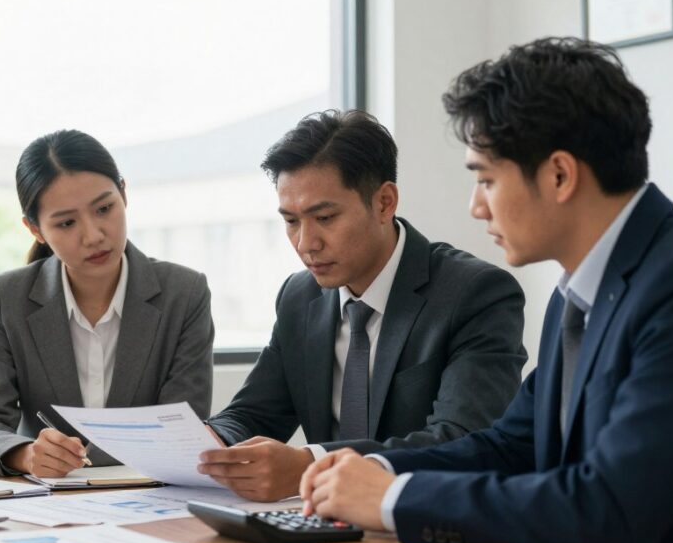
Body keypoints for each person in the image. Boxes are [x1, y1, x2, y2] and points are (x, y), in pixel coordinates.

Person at [300, 38, 673, 543]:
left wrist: (391, 500)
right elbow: (510, 446)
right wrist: (374, 468)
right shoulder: (578, 291)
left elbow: (612, 507)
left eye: (486, 179)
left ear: (559, 175)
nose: (476, 206)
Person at [198, 109, 527, 502]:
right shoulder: (299, 298)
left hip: (422, 525)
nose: (306, 243)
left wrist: (309, 464)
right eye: (291, 221)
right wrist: (206, 443)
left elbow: (462, 440)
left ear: (385, 203)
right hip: (324, 531)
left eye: (324, 217)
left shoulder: (474, 293)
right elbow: (254, 414)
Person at [0, 129, 214, 478]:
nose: (93, 235)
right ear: (35, 230)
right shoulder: (7, 299)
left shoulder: (184, 293)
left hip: (149, 495)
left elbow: (182, 426)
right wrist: (27, 454)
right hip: (46, 504)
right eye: (66, 223)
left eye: (104, 208)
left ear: (124, 193)